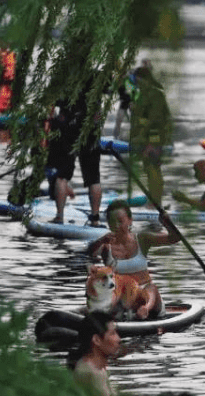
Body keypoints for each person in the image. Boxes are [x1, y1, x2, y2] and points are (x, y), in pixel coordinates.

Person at [88, 200, 182, 319]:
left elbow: (175, 238)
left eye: (120, 221)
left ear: (130, 220)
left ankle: (145, 310)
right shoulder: (106, 246)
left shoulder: (142, 239)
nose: (117, 226)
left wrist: (167, 223)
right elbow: (89, 252)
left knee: (151, 287)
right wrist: (100, 241)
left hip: (148, 301)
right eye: (112, 222)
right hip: (123, 303)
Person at [47, 84, 103, 225]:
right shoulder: (95, 77)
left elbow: (51, 105)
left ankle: (59, 216)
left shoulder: (65, 77)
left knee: (62, 176)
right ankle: (95, 219)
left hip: (67, 129)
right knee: (94, 178)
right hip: (89, 129)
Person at [127, 62, 172, 206]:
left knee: (153, 168)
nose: (138, 84)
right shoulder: (142, 94)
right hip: (144, 137)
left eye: (139, 81)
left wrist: (150, 141)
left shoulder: (155, 93)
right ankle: (153, 199)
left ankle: (156, 201)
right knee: (149, 168)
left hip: (154, 137)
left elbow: (155, 119)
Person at [68, 311, 119, 396]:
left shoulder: (99, 368)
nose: (118, 339)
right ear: (97, 340)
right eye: (112, 334)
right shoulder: (92, 372)